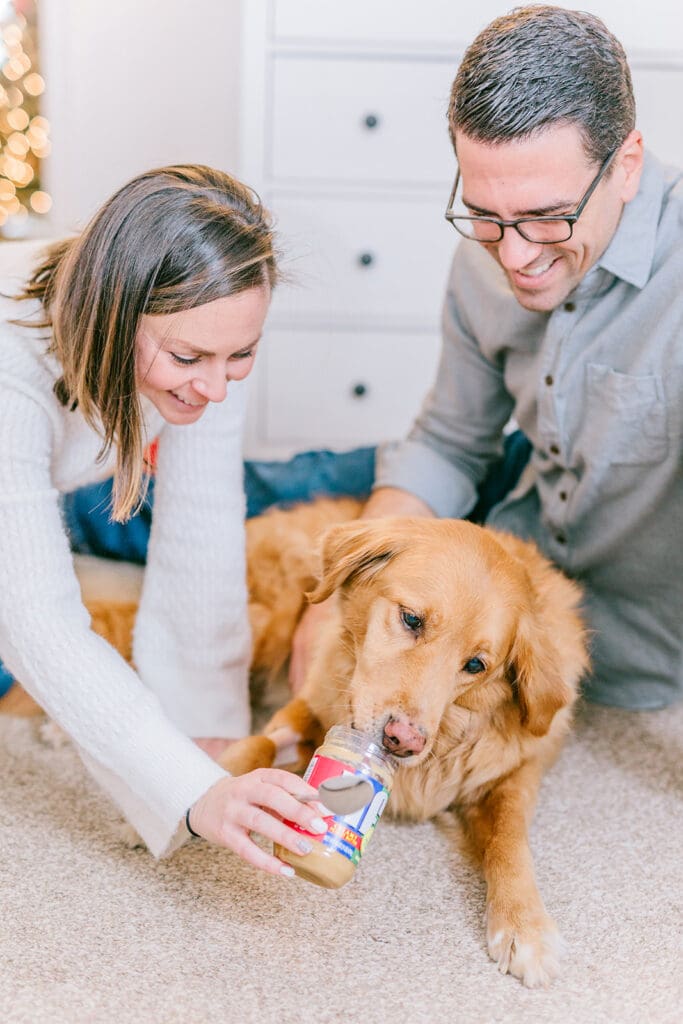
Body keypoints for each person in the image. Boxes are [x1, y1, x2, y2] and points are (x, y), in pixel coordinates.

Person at [292, 4, 683, 710]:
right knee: (297, 481)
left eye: (547, 217)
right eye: (484, 216)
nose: (514, 255)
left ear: (625, 165)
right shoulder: (485, 259)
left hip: (642, 661)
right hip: (507, 534)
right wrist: (342, 597)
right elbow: (446, 442)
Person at [0, 164, 333, 869]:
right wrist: (185, 787)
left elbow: (203, 522)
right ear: (111, 319)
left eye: (240, 355)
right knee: (38, 663)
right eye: (188, 357)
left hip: (70, 473)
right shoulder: (10, 369)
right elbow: (35, 620)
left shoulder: (207, 331)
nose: (216, 385)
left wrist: (208, 733)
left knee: (258, 490)